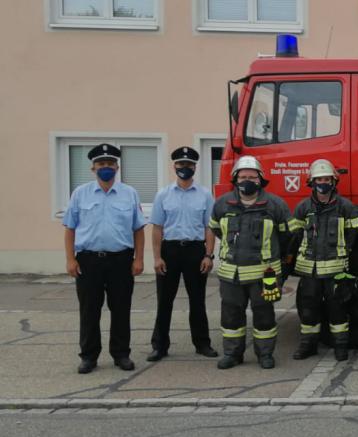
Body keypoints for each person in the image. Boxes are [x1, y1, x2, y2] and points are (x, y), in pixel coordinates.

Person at [63, 143, 146, 374]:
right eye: (101, 164)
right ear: (93, 168)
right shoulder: (80, 194)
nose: (106, 167)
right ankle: (89, 356)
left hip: (121, 261)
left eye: (110, 164)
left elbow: (138, 229)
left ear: (117, 167)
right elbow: (69, 228)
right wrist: (70, 259)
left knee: (121, 309)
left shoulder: (129, 193)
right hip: (89, 261)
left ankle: (121, 354)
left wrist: (139, 259)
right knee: (90, 310)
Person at [209, 155, 291, 370]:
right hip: (231, 274)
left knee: (264, 315)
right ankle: (232, 354)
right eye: (243, 176)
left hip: (264, 274)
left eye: (252, 177)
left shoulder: (275, 205)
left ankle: (265, 354)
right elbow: (216, 229)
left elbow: (286, 237)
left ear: (260, 179)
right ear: (235, 178)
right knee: (231, 315)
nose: (248, 180)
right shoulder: (223, 204)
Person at [147, 146, 217, 362]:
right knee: (164, 301)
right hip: (170, 250)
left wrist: (208, 255)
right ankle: (159, 346)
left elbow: (210, 228)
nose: (184, 168)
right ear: (174, 166)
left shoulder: (205, 195)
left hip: (195, 251)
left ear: (195, 167)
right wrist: (157, 257)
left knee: (197, 300)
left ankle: (202, 343)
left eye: (188, 165)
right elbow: (157, 227)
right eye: (181, 164)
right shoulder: (163, 194)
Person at [288, 159, 358, 361]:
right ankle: (307, 345)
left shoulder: (345, 207)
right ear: (311, 182)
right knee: (308, 309)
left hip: (336, 267)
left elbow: (353, 234)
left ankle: (340, 346)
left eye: (326, 179)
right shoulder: (303, 207)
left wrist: (344, 254)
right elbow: (295, 236)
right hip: (309, 269)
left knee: (337, 308)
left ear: (333, 181)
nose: (323, 182)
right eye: (319, 179)